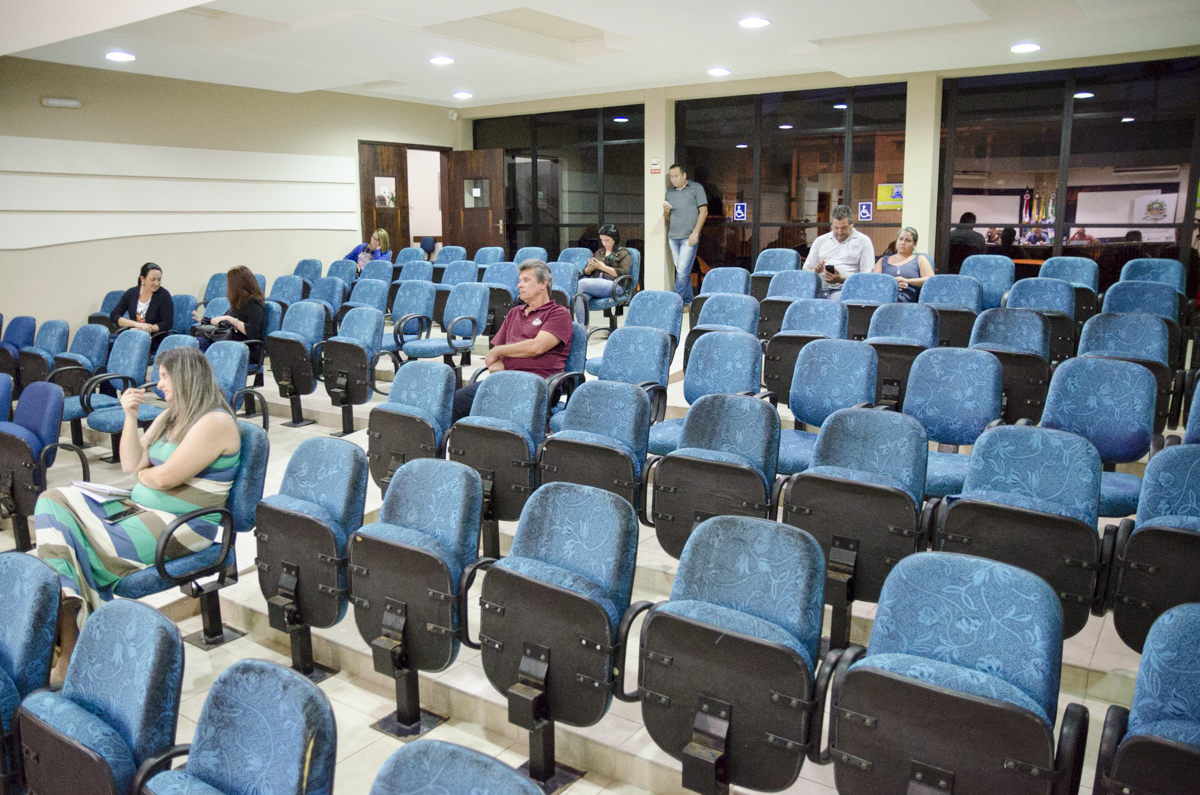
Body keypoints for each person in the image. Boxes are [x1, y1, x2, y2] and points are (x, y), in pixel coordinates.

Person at [33, 346, 242, 676]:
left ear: (185, 377)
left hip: (182, 527)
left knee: (73, 545)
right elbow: (131, 463)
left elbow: (165, 477)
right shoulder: (170, 416)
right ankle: (75, 639)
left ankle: (72, 646)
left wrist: (147, 476)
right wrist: (130, 417)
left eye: (165, 376)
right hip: (141, 509)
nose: (159, 384)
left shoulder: (215, 421)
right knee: (52, 500)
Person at [451, 260, 574, 423]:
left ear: (543, 283)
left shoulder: (558, 313)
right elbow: (497, 347)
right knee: (454, 402)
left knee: (492, 412)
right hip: (505, 380)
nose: (519, 285)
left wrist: (497, 352)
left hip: (537, 385)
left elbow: (537, 347)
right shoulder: (514, 312)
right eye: (520, 280)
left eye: (526, 280)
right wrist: (498, 362)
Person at [193, 266, 266, 362]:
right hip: (232, 344)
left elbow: (253, 332)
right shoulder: (239, 302)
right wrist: (204, 321)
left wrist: (231, 319)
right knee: (197, 342)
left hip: (246, 348)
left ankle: (204, 369)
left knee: (200, 345)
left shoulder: (253, 302)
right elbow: (225, 322)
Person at [802, 204, 876, 297]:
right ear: (831, 225)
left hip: (846, 289)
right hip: (819, 289)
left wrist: (840, 279)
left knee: (834, 300)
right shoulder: (820, 241)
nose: (839, 232)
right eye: (836, 228)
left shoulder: (863, 241)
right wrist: (815, 271)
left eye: (844, 228)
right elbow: (805, 270)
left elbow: (867, 276)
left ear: (852, 224)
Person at [663, 164, 708, 306]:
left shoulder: (696, 188)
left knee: (682, 271)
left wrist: (695, 232)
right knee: (682, 271)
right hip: (673, 237)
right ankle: (688, 301)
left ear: (684, 175)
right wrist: (666, 211)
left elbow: (704, 211)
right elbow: (668, 218)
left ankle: (674, 303)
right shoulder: (670, 193)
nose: (673, 179)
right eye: (671, 176)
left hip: (689, 237)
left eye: (676, 176)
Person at [573, 223, 632, 323]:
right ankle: (582, 327)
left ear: (615, 238)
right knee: (580, 297)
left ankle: (566, 313)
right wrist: (589, 268)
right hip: (597, 283)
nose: (604, 243)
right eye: (602, 240)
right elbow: (586, 272)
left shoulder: (623, 253)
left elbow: (624, 273)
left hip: (615, 285)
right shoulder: (599, 252)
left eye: (607, 240)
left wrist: (602, 267)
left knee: (581, 283)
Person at [110, 262, 174, 335]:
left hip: (154, 336)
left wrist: (146, 328)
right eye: (153, 279)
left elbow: (167, 323)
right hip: (134, 333)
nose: (156, 283)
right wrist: (135, 324)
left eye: (159, 279)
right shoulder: (131, 293)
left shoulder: (164, 295)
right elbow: (114, 315)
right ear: (142, 279)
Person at [873, 227, 934, 302]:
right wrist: (891, 285)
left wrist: (908, 281)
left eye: (908, 240)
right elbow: (874, 282)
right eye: (900, 239)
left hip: (907, 299)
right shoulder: (883, 260)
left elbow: (931, 280)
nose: (903, 243)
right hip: (884, 297)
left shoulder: (920, 259)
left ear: (915, 243)